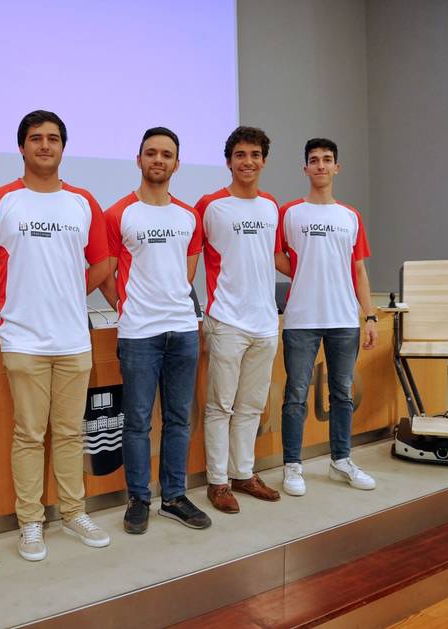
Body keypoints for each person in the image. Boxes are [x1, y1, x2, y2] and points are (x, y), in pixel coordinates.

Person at [0, 110, 111, 562]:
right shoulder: (0, 201)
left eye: (52, 138)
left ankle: (73, 513)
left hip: (73, 340)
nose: (44, 145)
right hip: (23, 341)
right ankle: (30, 522)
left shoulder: (82, 201)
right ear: (22, 147)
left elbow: (103, 264)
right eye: (35, 138)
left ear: (63, 147)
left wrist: (67, 294)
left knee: (70, 433)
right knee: (29, 434)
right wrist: (8, 308)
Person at [101, 127, 211, 534]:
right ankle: (139, 499)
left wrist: (173, 300)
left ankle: (175, 497)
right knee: (138, 421)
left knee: (180, 419)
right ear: (139, 159)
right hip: (138, 334)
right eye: (151, 153)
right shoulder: (118, 213)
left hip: (182, 330)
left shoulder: (188, 216)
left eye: (166, 154)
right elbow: (104, 271)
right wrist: (124, 303)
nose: (158, 160)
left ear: (177, 163)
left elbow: (188, 271)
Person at [274, 137, 378, 497]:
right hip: (302, 318)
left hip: (344, 320)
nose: (320, 165)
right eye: (314, 160)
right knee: (296, 395)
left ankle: (341, 461)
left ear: (337, 167)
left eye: (327, 160)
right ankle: (293, 465)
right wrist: (304, 273)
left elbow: (359, 270)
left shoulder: (350, 217)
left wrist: (371, 316)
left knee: (342, 394)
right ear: (305, 168)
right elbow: (276, 256)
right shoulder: (290, 213)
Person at [195, 126, 282, 514]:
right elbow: (190, 261)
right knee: (220, 407)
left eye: (255, 155)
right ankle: (218, 481)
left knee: (250, 406)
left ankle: (243, 474)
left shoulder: (270, 206)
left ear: (264, 160)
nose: (248, 162)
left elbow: (276, 258)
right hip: (226, 321)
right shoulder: (211, 205)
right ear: (229, 161)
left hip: (265, 322)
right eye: (241, 155)